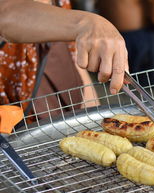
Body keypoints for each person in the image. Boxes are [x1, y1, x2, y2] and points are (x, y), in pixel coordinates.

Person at [0, 0, 129, 119]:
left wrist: (95, 119)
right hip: (14, 128)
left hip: (64, 116)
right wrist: (88, 23)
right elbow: (6, 14)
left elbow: (76, 61)